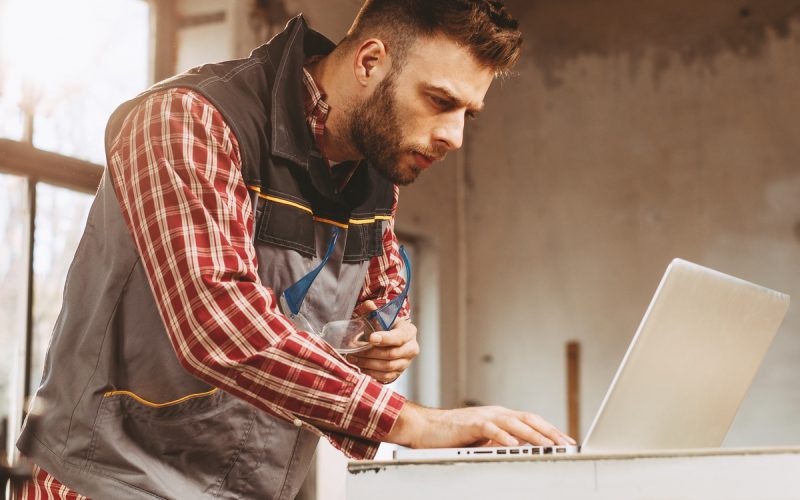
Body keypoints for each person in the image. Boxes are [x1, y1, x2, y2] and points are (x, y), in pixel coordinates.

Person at [16, 1, 574, 498]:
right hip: (110, 482)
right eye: (440, 100)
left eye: (466, 115)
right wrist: (416, 423)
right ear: (370, 62)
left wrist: (383, 342)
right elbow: (221, 325)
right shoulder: (189, 120)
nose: (454, 135)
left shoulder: (376, 173)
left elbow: (377, 301)